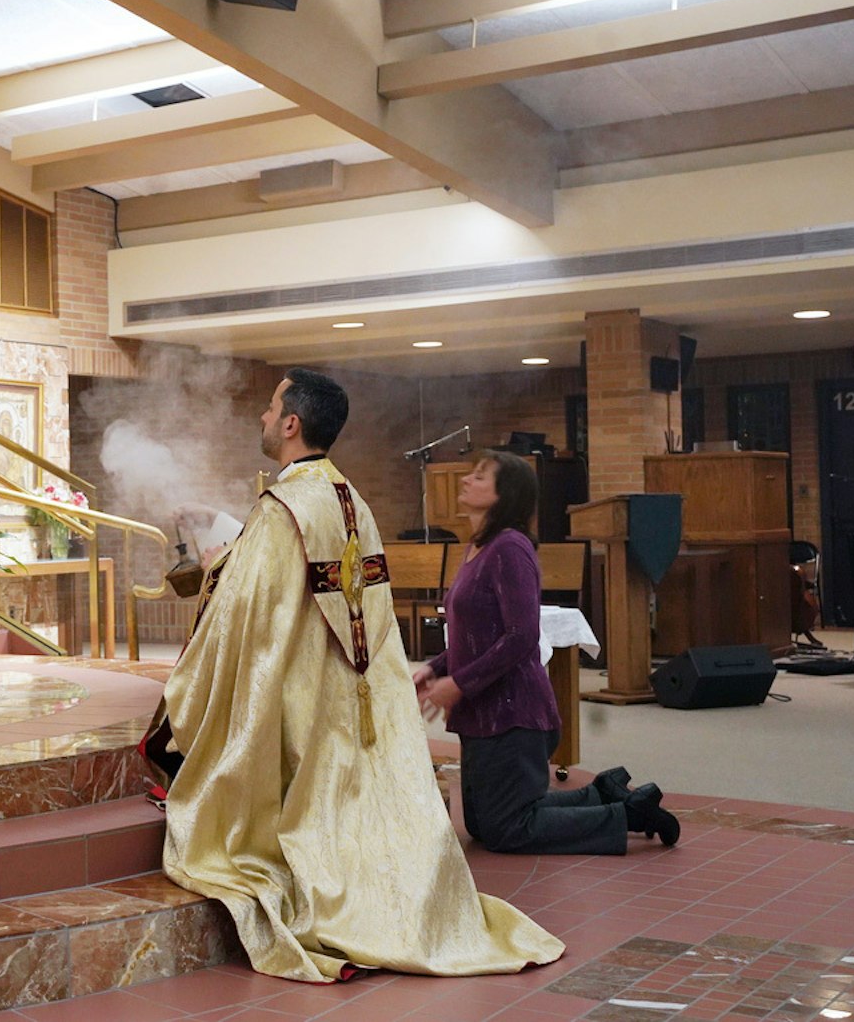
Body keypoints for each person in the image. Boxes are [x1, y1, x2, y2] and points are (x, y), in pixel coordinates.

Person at [142, 369, 564, 983]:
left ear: (291, 424)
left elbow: (248, 612)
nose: (261, 418)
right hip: (357, 694)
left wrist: (213, 572)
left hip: (302, 701)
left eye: (268, 409)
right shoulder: (349, 501)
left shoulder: (285, 506)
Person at [414, 451, 681, 854]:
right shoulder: (477, 548)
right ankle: (601, 793)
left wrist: (459, 684)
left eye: (480, 477)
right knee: (484, 826)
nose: (467, 480)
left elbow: (521, 636)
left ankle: (628, 815)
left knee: (509, 829)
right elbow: (477, 634)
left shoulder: (510, 548)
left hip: (513, 713)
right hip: (483, 713)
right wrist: (436, 669)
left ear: (505, 495)